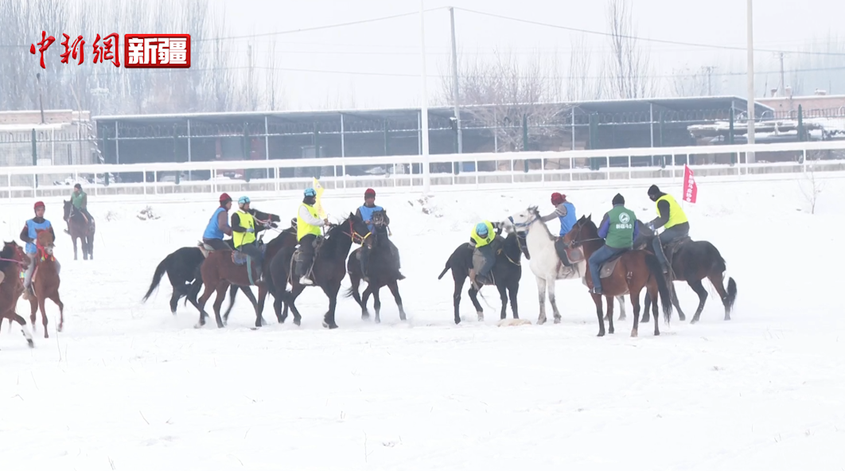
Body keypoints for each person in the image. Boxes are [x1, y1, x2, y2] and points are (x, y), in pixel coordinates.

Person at [588, 193, 638, 295]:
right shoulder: (631, 214)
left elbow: (601, 234)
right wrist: (629, 241)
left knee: (592, 261)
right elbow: (636, 232)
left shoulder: (610, 214)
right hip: (628, 247)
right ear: (624, 203)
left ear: (613, 204)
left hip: (612, 247)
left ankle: (597, 287)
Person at [354, 188, 402, 282]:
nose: (370, 200)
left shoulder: (380, 209)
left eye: (372, 198)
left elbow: (387, 221)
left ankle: (396, 271)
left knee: (395, 250)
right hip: (367, 237)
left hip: (381, 237)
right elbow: (357, 224)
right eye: (368, 198)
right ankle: (365, 274)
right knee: (364, 254)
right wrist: (364, 223)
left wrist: (384, 221)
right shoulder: (360, 210)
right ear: (365, 199)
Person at [20, 201, 61, 300]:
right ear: (35, 211)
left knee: (58, 265)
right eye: (38, 210)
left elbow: (53, 236)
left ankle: (53, 284)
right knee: (29, 269)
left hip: (45, 252)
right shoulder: (29, 223)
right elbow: (22, 236)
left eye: (42, 210)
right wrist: (31, 240)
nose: (40, 212)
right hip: (32, 251)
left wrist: (48, 243)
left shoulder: (48, 223)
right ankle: (26, 288)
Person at [646, 184, 690, 274]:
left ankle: (663, 265)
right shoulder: (668, 197)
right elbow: (662, 217)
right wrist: (651, 223)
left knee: (655, 242)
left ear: (653, 195)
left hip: (676, 229)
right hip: (684, 226)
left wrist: (652, 227)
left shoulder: (661, 201)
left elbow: (664, 218)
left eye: (650, 197)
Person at [296, 188, 331, 285]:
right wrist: (322, 222)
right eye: (313, 198)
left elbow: (318, 221)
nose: (315, 199)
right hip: (306, 236)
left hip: (316, 235)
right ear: (308, 197)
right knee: (309, 252)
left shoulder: (312, 208)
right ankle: (302, 276)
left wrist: (326, 223)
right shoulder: (303, 208)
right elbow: (309, 220)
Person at [231, 196, 271, 281]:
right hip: (242, 243)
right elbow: (234, 227)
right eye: (247, 204)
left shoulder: (249, 215)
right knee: (257, 254)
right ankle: (258, 276)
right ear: (242, 205)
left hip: (252, 241)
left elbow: (255, 228)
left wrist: (264, 227)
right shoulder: (236, 215)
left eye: (249, 204)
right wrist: (245, 230)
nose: (248, 206)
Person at [469, 220, 505, 290]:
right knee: (491, 259)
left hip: (492, 238)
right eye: (481, 235)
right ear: (477, 233)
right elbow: (470, 249)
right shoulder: (473, 238)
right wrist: (471, 267)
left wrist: (499, 232)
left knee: (505, 243)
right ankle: (482, 275)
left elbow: (499, 225)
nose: (483, 236)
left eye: (485, 234)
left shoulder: (489, 225)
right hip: (483, 246)